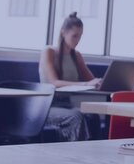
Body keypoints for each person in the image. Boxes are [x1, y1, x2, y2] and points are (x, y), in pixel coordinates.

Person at [39, 12, 101, 141]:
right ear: (63, 33)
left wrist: (99, 82)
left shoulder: (76, 55)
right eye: (74, 36)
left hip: (66, 105)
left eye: (80, 36)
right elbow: (54, 82)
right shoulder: (48, 52)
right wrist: (85, 84)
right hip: (47, 106)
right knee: (76, 116)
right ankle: (76, 157)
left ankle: (94, 155)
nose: (77, 40)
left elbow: (91, 80)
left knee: (92, 116)